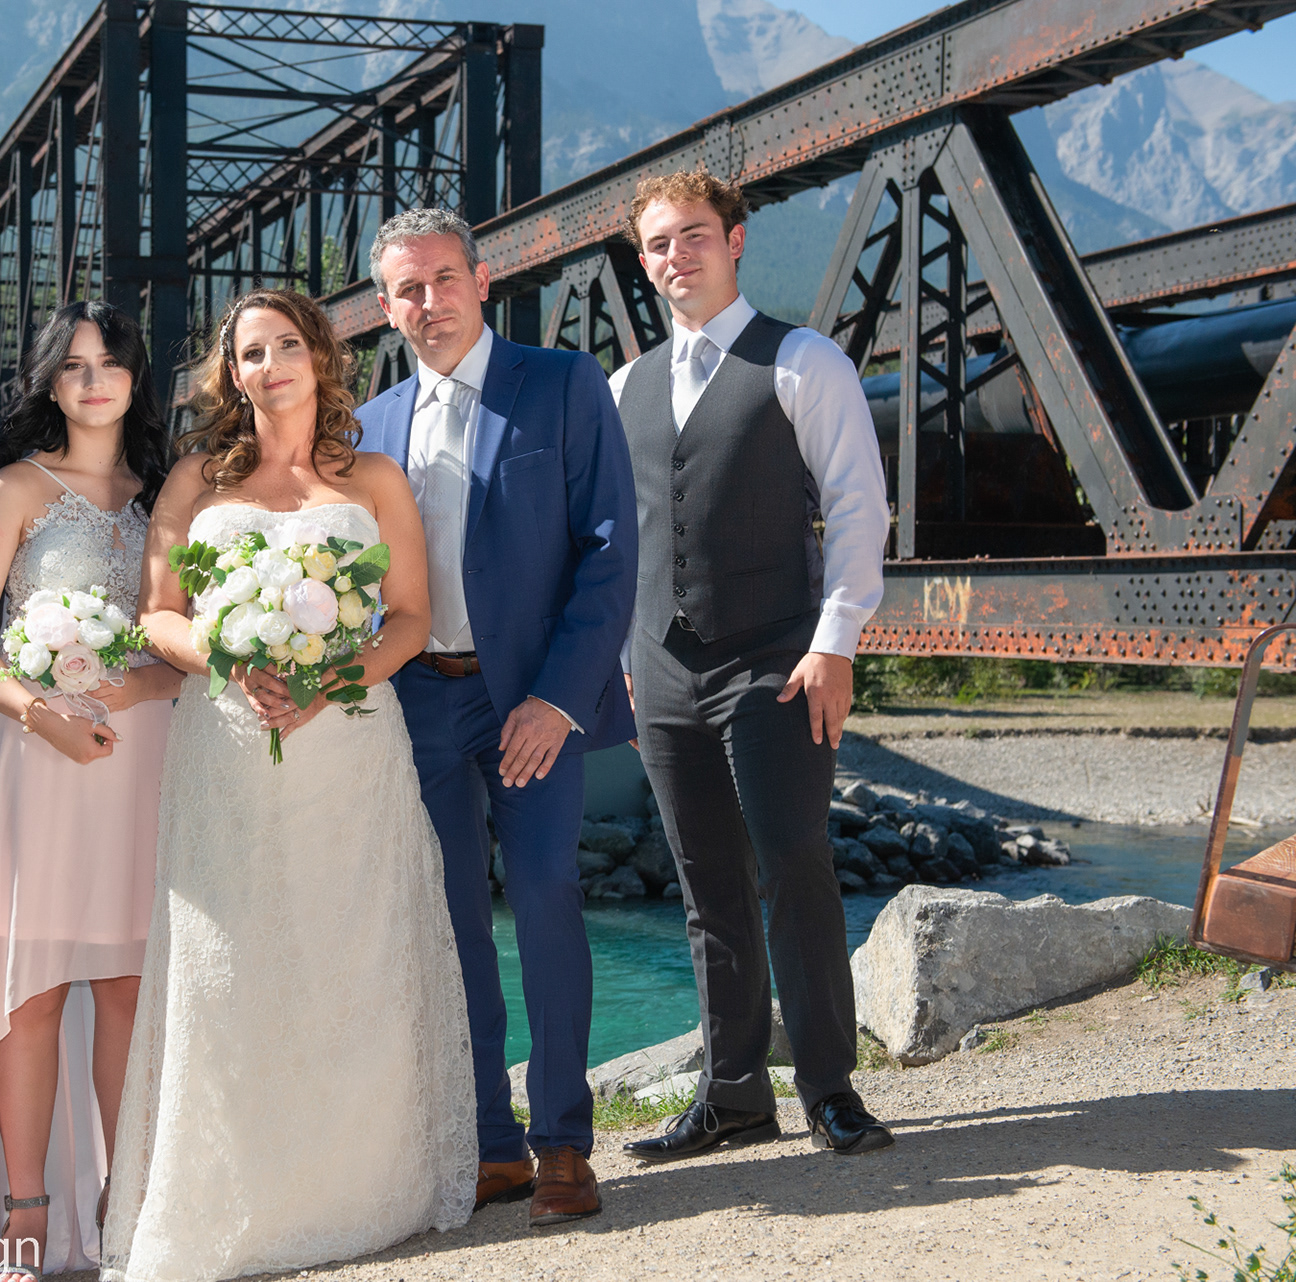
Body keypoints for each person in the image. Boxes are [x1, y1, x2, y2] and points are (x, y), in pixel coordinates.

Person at [100, 289, 476, 1282]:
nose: (268, 366)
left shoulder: (377, 479)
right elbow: (158, 615)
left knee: (348, 951)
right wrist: (227, 652)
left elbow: (407, 618)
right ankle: (229, 1205)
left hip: (348, 746)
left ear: (319, 355)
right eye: (248, 353)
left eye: (284, 346)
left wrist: (333, 680)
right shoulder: (193, 481)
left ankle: (360, 1192)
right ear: (232, 375)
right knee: (228, 964)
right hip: (225, 748)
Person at [352, 209, 638, 1227]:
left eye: (443, 279)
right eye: (406, 290)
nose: (428, 303)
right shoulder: (370, 426)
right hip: (419, 696)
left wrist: (558, 699)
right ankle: (490, 1143)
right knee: (452, 924)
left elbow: (609, 550)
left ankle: (564, 1142)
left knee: (552, 897)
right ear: (386, 308)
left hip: (533, 698)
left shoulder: (562, 386)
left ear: (481, 279)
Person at [609, 169, 894, 1163]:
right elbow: (626, 537)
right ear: (643, 262)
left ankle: (828, 1088)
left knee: (797, 867)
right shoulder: (625, 386)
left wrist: (836, 641)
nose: (675, 256)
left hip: (778, 658)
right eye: (657, 244)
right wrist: (625, 656)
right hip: (662, 667)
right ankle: (732, 1094)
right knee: (705, 884)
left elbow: (860, 505)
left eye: (693, 235)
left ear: (734, 240)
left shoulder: (803, 362)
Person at [0, 301, 182, 1279]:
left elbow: (180, 655)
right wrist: (42, 711)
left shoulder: (168, 496)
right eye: (71, 366)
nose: (91, 380)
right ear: (49, 382)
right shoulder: (11, 492)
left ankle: (123, 1206)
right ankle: (24, 1210)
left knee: (126, 986)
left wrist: (141, 684)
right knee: (30, 994)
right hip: (33, 758)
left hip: (139, 760)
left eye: (108, 362)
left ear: (133, 376)